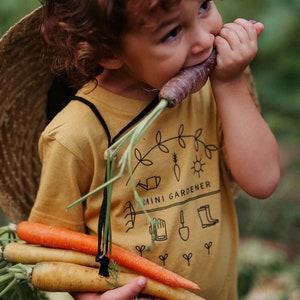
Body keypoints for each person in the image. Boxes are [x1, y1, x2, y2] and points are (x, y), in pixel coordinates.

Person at [28, 0, 280, 299]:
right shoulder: (75, 135)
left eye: (203, 6)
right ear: (108, 51)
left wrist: (231, 83)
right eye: (172, 33)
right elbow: (56, 248)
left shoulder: (215, 87)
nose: (203, 39)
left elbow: (262, 180)